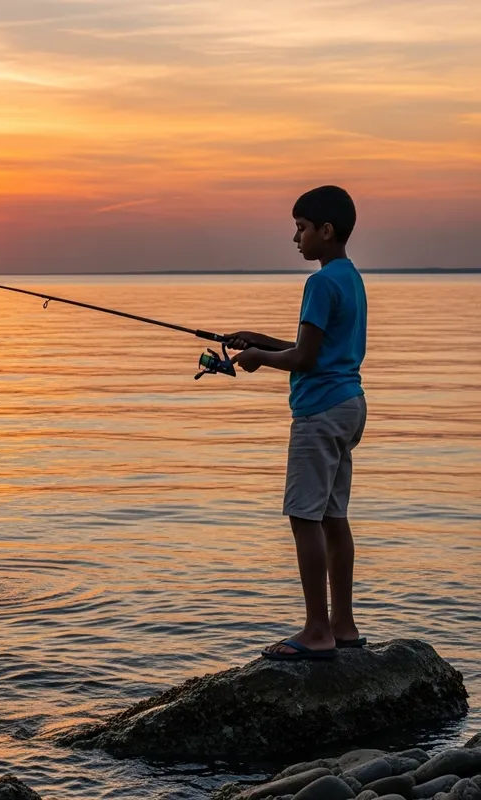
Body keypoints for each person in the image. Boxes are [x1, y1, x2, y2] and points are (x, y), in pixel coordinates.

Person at [226, 185, 368, 660]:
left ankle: (316, 632)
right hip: (348, 405)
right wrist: (259, 339)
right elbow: (319, 347)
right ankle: (343, 626)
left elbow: (305, 358)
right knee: (333, 517)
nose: (296, 239)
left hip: (319, 412)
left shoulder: (319, 283)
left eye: (301, 229)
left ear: (326, 231)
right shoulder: (350, 278)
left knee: (304, 517)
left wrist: (259, 358)